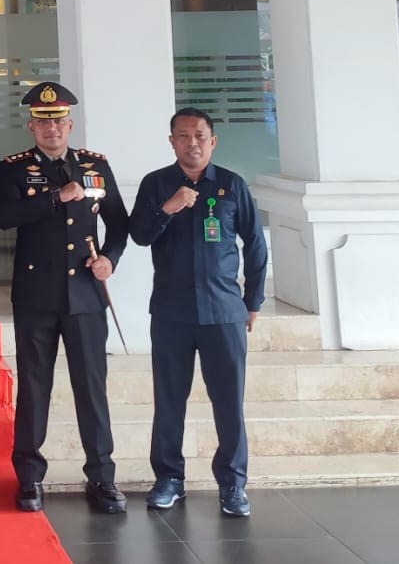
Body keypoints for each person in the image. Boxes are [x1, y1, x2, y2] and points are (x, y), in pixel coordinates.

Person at [0, 82, 129, 514]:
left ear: (69, 125)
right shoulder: (14, 169)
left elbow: (119, 224)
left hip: (86, 295)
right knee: (35, 387)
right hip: (36, 295)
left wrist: (109, 259)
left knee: (91, 387)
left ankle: (102, 477)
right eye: (43, 122)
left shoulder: (94, 166)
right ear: (31, 126)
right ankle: (29, 478)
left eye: (59, 122)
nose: (52, 129)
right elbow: (2, 217)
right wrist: (55, 197)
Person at [130, 107, 268, 518]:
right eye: (183, 136)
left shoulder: (231, 184)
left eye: (200, 136)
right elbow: (139, 235)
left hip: (224, 312)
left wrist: (253, 301)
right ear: (171, 141)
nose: (192, 143)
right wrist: (168, 208)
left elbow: (255, 245)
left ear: (212, 141)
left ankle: (233, 483)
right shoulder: (156, 184)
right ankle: (169, 478)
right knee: (169, 400)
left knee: (229, 402)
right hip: (171, 312)